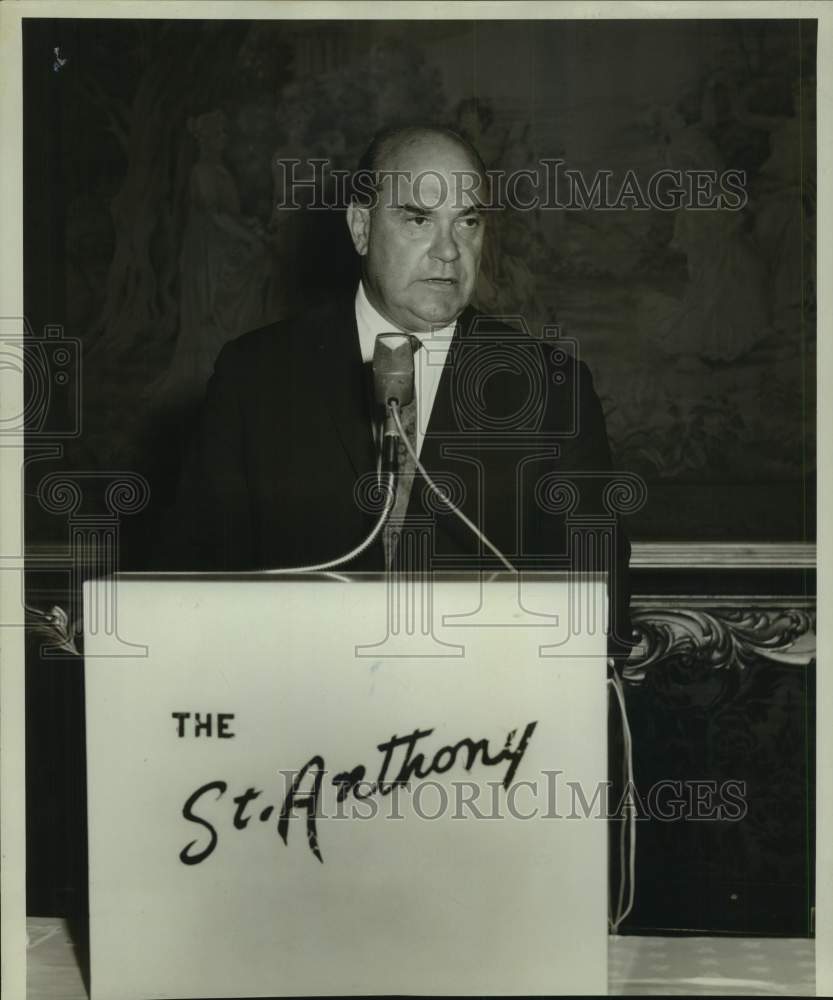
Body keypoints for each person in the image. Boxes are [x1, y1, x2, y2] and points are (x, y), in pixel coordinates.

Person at [160, 124, 632, 653]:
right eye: (417, 219)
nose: (449, 252)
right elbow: (195, 584)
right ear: (361, 227)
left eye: (468, 222)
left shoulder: (552, 387)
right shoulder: (255, 376)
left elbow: (597, 598)